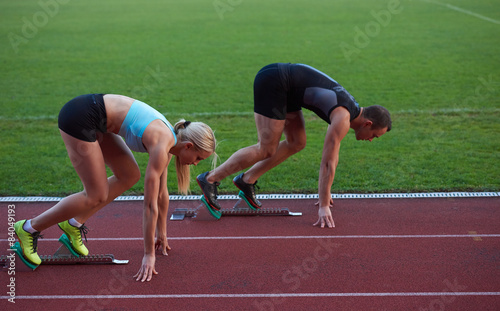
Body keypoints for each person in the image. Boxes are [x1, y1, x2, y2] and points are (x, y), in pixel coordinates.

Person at [13, 94, 217, 282]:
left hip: (97, 119)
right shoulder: (162, 143)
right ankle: (29, 228)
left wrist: (161, 233)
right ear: (188, 146)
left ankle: (73, 224)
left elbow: (162, 195)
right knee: (96, 194)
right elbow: (149, 204)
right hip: (80, 117)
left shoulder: (171, 141)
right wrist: (148, 254)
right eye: (199, 158)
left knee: (129, 176)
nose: (196, 163)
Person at [197, 63, 391, 228]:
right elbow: (328, 162)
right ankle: (211, 179)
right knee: (266, 148)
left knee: (297, 142)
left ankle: (247, 180)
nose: (371, 139)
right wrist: (324, 204)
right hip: (275, 81)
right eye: (374, 135)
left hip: (289, 89)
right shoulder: (343, 118)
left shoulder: (349, 110)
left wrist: (327, 191)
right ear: (368, 124)